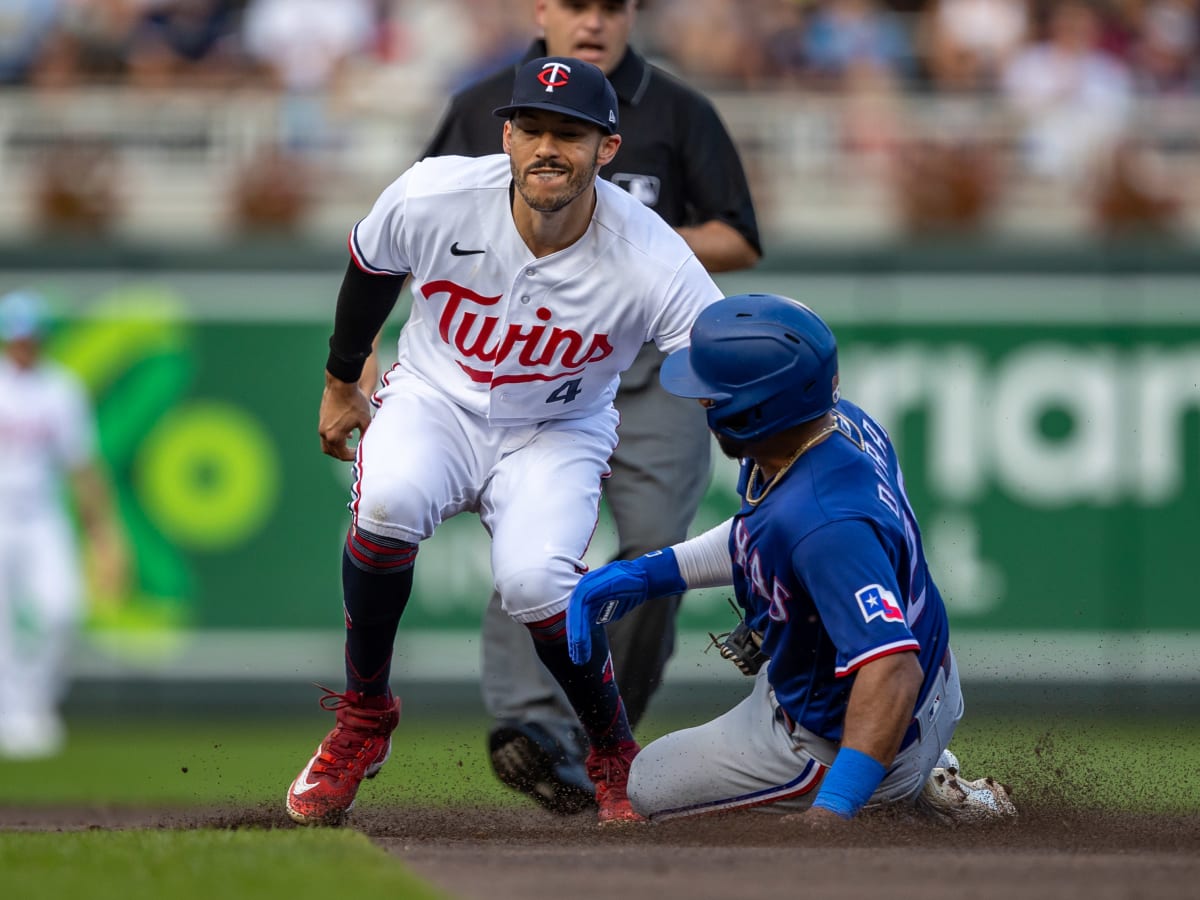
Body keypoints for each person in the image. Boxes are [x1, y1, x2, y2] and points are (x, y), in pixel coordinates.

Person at [285, 56, 724, 828]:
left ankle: (611, 747)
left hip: (559, 425)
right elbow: (370, 265)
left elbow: (717, 361)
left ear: (607, 149)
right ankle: (363, 718)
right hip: (436, 397)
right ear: (507, 134)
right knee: (386, 505)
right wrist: (341, 377)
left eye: (570, 133)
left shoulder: (650, 251)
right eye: (532, 128)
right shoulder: (437, 191)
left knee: (535, 586)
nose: (547, 146)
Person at [419, 0, 762, 815]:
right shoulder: (485, 104)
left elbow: (739, 236)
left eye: (611, 6)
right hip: (531, 362)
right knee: (532, 543)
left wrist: (622, 234)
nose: (594, 20)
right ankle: (531, 729)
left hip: (646, 366)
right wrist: (365, 344)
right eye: (576, 4)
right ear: (542, 11)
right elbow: (418, 219)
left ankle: (600, 737)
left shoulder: (678, 110)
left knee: (656, 549)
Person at [567, 293, 1017, 824]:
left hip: (850, 733)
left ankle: (898, 793)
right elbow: (762, 535)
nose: (701, 403)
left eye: (713, 396)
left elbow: (893, 670)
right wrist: (646, 575)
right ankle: (927, 773)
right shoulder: (828, 429)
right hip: (931, 683)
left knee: (650, 782)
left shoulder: (824, 523)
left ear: (756, 409)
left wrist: (833, 812)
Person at [0, 289, 128, 759]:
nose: (24, 344)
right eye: (16, 336)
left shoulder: (60, 388)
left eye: (30, 336)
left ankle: (33, 704)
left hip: (41, 514)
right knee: (2, 624)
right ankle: (12, 713)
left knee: (61, 609)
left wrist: (104, 537)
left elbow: (82, 468)